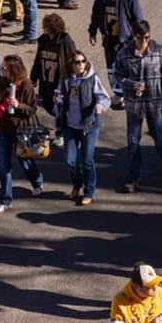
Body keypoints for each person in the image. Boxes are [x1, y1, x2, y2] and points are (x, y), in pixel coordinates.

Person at [115, 20, 162, 194]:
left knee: (160, 141)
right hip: (134, 106)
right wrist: (131, 84)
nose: (144, 41)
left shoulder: (160, 52)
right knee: (133, 142)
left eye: (147, 37)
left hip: (155, 104)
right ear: (134, 36)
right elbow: (118, 77)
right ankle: (134, 177)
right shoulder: (123, 54)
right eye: (141, 37)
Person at [0, 54, 46, 214]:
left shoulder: (26, 85)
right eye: (2, 67)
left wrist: (19, 105)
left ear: (14, 69)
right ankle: (6, 200)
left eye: (5, 68)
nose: (2, 69)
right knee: (3, 165)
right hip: (4, 130)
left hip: (22, 130)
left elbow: (32, 109)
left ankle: (37, 181)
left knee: (25, 161)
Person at [55, 49, 112, 206]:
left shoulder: (92, 79)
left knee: (87, 160)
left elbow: (104, 98)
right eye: (77, 62)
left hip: (89, 126)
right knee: (69, 161)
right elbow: (59, 95)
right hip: (70, 126)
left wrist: (99, 107)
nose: (80, 65)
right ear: (71, 65)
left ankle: (89, 191)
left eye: (83, 61)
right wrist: (58, 98)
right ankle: (77, 183)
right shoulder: (66, 79)